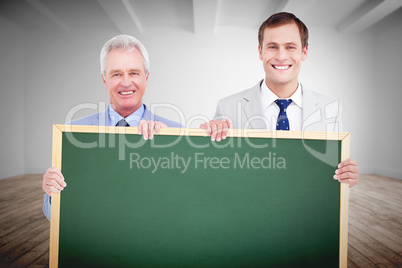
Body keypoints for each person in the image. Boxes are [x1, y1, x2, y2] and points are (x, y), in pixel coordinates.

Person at [200, 12, 359, 188]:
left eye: (290, 47)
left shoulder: (330, 108)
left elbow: (334, 175)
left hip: (308, 211)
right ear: (260, 51)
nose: (281, 56)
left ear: (304, 51)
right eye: (273, 47)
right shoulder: (228, 107)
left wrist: (346, 180)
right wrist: (206, 140)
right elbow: (217, 173)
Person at [42, 35, 182, 220]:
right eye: (116, 74)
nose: (125, 82)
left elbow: (182, 204)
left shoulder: (176, 132)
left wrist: (165, 146)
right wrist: (53, 192)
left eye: (134, 73)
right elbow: (53, 215)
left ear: (146, 78)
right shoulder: (73, 133)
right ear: (104, 79)